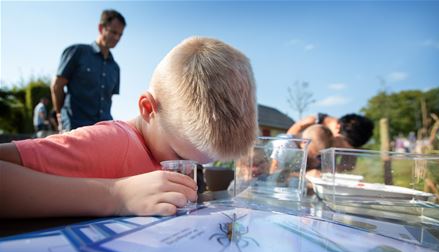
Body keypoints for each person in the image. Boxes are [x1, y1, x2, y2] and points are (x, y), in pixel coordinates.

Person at [0, 36, 258, 218]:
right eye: (181, 157)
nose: (190, 170)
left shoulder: (171, 141)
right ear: (148, 109)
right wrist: (116, 196)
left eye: (200, 165)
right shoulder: (110, 142)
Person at [51, 9, 126, 131]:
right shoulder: (77, 52)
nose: (117, 38)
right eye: (113, 32)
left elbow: (108, 99)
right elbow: (56, 86)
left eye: (120, 34)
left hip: (103, 132)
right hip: (74, 128)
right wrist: (60, 114)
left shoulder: (115, 68)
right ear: (101, 28)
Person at [287, 113, 374, 148]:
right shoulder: (310, 122)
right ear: (337, 127)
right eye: (340, 145)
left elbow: (345, 167)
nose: (339, 149)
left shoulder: (351, 137)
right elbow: (286, 144)